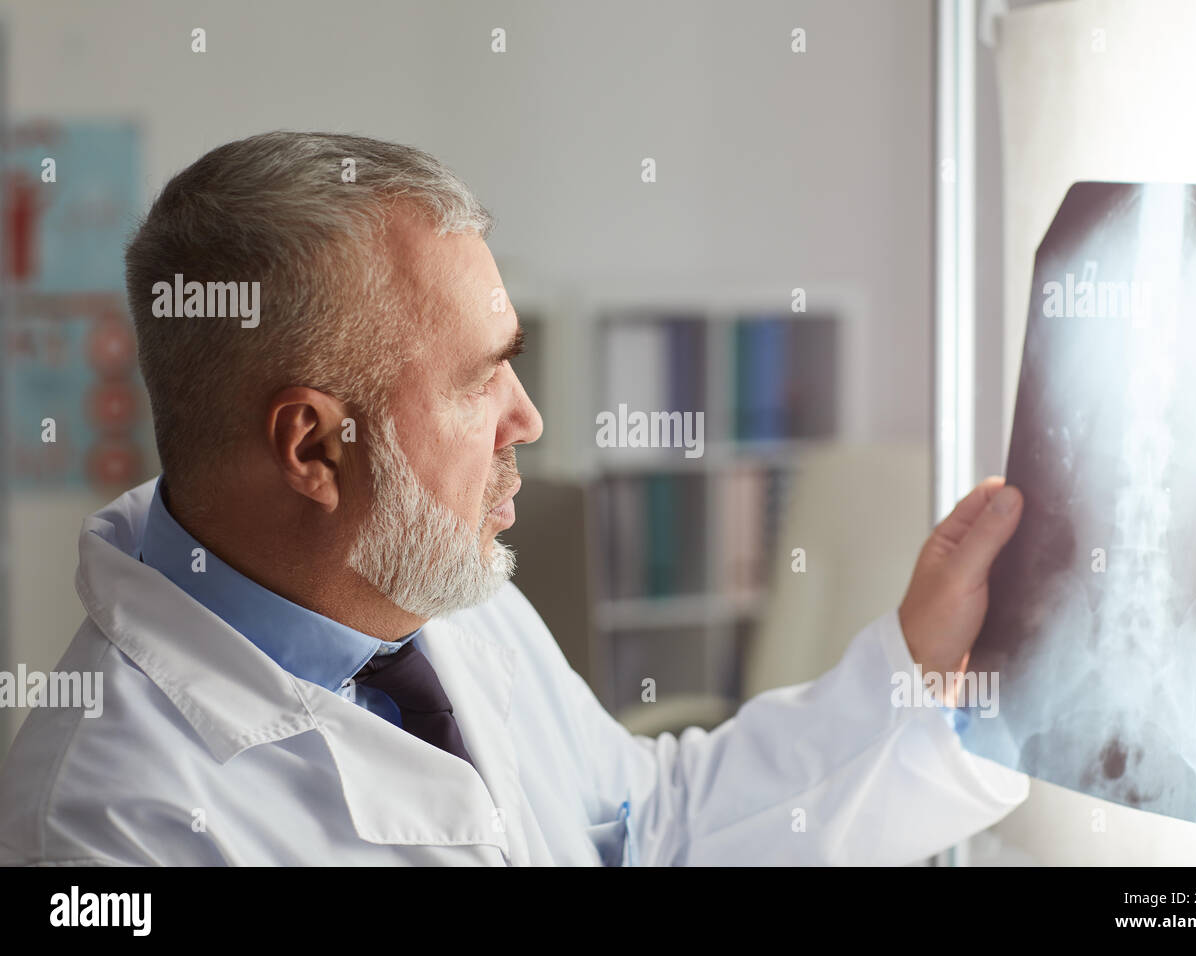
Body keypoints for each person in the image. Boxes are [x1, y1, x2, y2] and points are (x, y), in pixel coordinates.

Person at [0, 131, 1027, 865]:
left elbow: (644, 823)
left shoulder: (431, 587)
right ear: (313, 445)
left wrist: (921, 667)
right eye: (475, 377)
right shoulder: (109, 826)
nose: (527, 417)